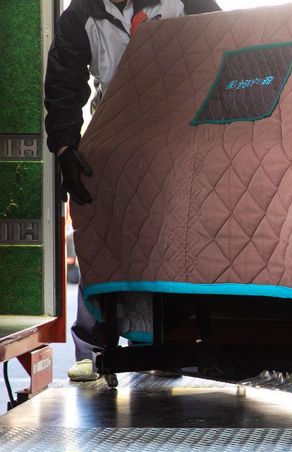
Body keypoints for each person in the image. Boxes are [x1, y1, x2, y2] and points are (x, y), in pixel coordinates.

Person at [45, 0, 221, 382]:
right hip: (116, 131)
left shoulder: (185, 2)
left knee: (174, 241)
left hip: (178, 132)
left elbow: (225, 42)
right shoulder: (81, 15)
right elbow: (63, 85)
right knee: (100, 231)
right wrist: (65, 149)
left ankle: (167, 345)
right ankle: (93, 348)